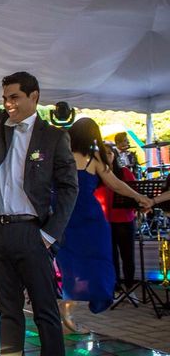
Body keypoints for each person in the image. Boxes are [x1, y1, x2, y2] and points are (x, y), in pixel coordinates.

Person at [0, 50, 78, 356]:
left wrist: (49, 235)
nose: (8, 103)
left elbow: (69, 189)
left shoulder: (54, 137)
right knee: (8, 308)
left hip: (32, 233)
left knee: (45, 309)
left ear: (34, 96)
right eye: (5, 97)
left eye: (15, 97)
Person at [56, 118, 151, 333]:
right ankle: (85, 301)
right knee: (100, 259)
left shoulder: (61, 157)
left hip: (65, 215)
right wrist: (139, 197)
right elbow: (116, 184)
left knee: (70, 264)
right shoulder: (94, 158)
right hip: (90, 217)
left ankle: (67, 309)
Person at [93, 145, 137, 292]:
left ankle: (130, 284)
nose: (107, 156)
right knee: (110, 255)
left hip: (124, 220)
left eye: (110, 153)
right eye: (104, 153)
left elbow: (134, 192)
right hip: (104, 221)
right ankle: (115, 283)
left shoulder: (124, 172)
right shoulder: (96, 174)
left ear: (115, 155)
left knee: (127, 254)